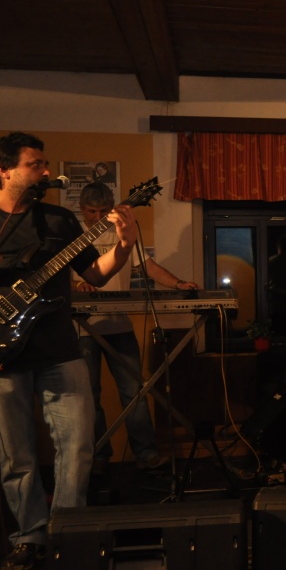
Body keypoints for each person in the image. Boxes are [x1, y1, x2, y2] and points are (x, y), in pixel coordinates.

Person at [0, 132, 138, 570]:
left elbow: (95, 275)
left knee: (77, 446)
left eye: (44, 164)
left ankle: (68, 531)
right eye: (35, 164)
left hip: (59, 350)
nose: (45, 171)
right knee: (15, 455)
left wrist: (124, 245)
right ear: (4, 171)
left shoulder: (58, 219)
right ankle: (30, 537)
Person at [73, 182, 199, 476]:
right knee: (88, 395)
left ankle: (146, 454)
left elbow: (148, 266)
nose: (98, 217)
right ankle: (99, 456)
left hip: (119, 326)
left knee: (135, 392)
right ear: (82, 210)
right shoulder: (74, 235)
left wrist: (178, 283)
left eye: (104, 211)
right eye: (92, 212)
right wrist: (78, 285)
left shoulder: (122, 232)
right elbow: (60, 276)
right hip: (82, 329)